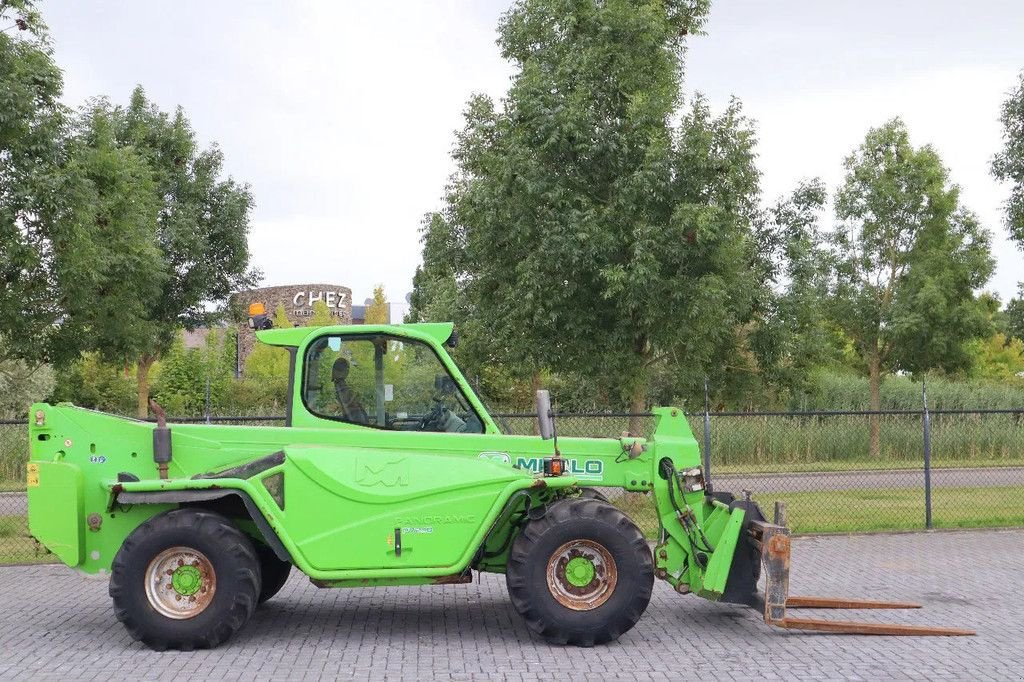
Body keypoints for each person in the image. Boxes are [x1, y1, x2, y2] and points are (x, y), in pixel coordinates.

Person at [331, 357, 369, 425]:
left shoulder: (339, 383)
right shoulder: (340, 384)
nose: (348, 371)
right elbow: (345, 404)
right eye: (347, 368)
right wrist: (354, 397)